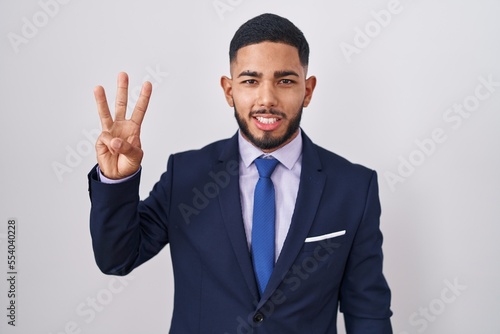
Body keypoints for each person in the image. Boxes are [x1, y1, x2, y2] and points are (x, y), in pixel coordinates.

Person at [88, 13, 392, 333]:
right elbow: (116, 259)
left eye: (285, 80)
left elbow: (368, 311)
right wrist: (117, 180)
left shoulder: (354, 188)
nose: (267, 98)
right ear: (229, 90)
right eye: (250, 81)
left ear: (308, 89)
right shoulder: (187, 175)